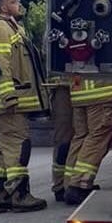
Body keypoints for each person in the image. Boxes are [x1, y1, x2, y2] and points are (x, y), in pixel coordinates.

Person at [0, 0, 47, 214]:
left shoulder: (12, 28)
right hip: (8, 103)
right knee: (18, 144)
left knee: (2, 148)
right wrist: (8, 95)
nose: (19, 4)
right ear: (3, 8)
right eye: (14, 1)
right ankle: (20, 194)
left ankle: (1, 192)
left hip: (4, 103)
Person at [62, 74, 112, 205]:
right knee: (96, 138)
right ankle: (78, 186)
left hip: (79, 93)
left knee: (81, 137)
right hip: (102, 93)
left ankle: (69, 183)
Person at [47, 73, 73, 203]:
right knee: (64, 141)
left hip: (74, 85)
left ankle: (72, 182)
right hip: (61, 86)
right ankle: (59, 185)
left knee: (77, 138)